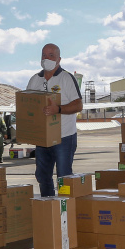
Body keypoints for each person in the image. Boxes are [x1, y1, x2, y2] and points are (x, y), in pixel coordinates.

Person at [26, 43, 84, 197]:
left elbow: (78, 105)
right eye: (44, 55)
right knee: (42, 176)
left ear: (59, 59)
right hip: (42, 139)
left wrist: (58, 109)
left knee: (64, 178)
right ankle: (48, 207)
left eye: (51, 55)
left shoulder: (66, 78)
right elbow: (28, 105)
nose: (47, 58)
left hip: (64, 136)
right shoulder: (34, 80)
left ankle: (66, 209)